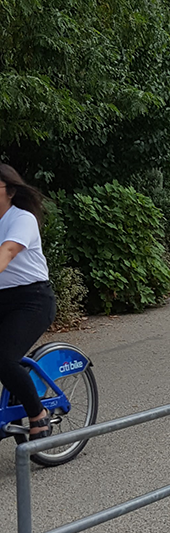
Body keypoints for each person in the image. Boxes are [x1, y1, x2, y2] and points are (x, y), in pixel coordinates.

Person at [0, 165, 57, 438]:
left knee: (3, 358)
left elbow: (7, 252)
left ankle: (38, 414)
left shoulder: (21, 219)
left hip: (31, 300)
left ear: (10, 191)